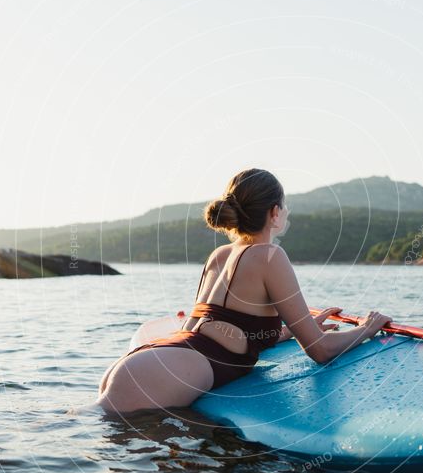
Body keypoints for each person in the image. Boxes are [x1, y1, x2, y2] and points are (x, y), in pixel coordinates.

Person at [96, 168, 392, 414]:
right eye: (285, 206)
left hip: (144, 363)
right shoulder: (270, 256)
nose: (286, 212)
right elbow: (321, 350)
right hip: (157, 376)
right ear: (275, 213)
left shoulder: (219, 255)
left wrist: (291, 331)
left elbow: (212, 330)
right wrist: (368, 328)